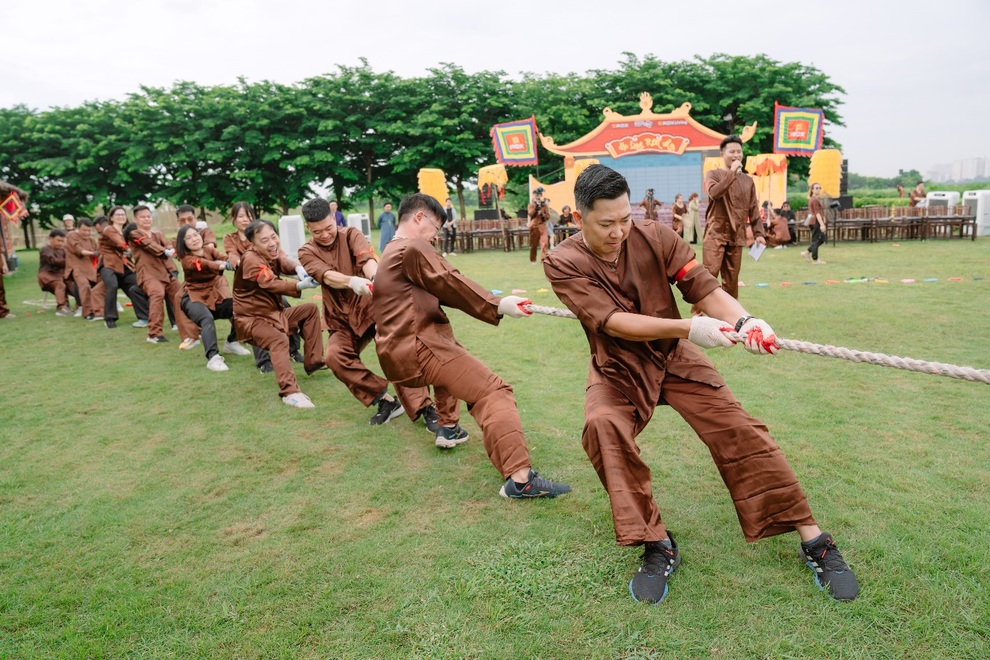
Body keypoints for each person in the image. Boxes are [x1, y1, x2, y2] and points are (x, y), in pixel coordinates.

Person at [544, 164, 858, 605]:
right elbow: (614, 323)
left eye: (624, 218)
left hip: (675, 356)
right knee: (602, 426)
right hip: (617, 365)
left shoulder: (657, 236)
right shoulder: (561, 261)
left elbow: (703, 288)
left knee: (739, 428)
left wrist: (744, 320)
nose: (619, 231)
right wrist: (690, 329)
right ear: (579, 220)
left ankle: (815, 539)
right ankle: (656, 544)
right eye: (606, 223)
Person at [373, 193, 571, 496]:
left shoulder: (390, 250)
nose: (436, 236)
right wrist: (498, 303)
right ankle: (521, 479)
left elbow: (440, 287)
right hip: (419, 345)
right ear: (418, 218)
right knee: (494, 391)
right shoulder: (411, 247)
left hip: (404, 350)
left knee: (458, 359)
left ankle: (449, 427)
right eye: (435, 228)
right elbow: (449, 281)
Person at [298, 197, 438, 428]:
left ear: (334, 218)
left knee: (396, 353)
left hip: (372, 310)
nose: (324, 234)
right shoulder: (306, 251)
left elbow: (367, 259)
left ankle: (425, 408)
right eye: (317, 231)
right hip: (340, 319)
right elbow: (325, 275)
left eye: (328, 228)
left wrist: (374, 278)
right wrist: (352, 281)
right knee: (335, 356)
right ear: (308, 228)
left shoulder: (351, 234)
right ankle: (384, 399)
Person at [232, 220, 324, 408]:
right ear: (253, 244)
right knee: (278, 340)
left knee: (309, 310)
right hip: (251, 320)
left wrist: (298, 269)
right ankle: (289, 392)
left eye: (274, 236)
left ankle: (314, 361)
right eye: (265, 240)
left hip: (274, 314)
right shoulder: (251, 259)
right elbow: (270, 283)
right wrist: (299, 285)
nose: (272, 243)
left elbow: (283, 259)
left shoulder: (270, 252)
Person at [703, 135, 765, 300]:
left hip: (736, 235)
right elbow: (715, 193)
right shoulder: (713, 174)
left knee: (731, 281)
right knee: (709, 276)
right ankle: (699, 314)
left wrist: (759, 234)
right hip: (715, 233)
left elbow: (753, 208)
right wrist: (732, 173)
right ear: (722, 154)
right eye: (732, 151)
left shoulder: (748, 181)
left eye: (739, 151)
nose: (736, 155)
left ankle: (730, 318)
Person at [222, 201, 283, 365]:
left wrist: (296, 268)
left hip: (268, 284)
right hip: (248, 290)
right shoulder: (230, 238)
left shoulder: (260, 236)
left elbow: (279, 253)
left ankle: (292, 351)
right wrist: (242, 264)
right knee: (258, 320)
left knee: (286, 311)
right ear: (234, 219)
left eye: (248, 216)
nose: (245, 219)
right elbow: (232, 255)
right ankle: (263, 362)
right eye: (241, 216)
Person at [175, 225, 237, 372]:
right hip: (192, 296)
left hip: (214, 294)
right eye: (188, 238)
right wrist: (223, 266)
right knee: (206, 318)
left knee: (239, 308)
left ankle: (232, 342)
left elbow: (223, 257)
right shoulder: (186, 259)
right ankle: (213, 358)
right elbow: (204, 264)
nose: (194, 239)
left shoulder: (209, 250)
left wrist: (235, 261)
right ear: (183, 243)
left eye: (195, 235)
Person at [127, 206, 181, 343]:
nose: (146, 219)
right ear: (135, 219)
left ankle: (191, 328)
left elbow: (168, 245)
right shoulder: (134, 234)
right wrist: (166, 252)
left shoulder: (158, 234)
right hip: (147, 274)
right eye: (142, 216)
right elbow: (149, 245)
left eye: (148, 216)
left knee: (181, 294)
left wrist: (171, 250)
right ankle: (154, 334)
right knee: (157, 294)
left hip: (164, 273)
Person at [95, 208, 150, 329]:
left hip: (124, 265)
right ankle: (110, 318)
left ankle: (145, 316)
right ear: (112, 217)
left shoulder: (126, 231)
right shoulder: (109, 229)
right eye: (117, 214)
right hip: (108, 264)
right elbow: (121, 244)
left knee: (136, 285)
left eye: (123, 214)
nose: (121, 216)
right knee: (112, 285)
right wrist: (133, 250)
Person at [65, 219, 102, 321]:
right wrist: (92, 253)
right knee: (85, 286)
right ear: (78, 228)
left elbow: (98, 250)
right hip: (76, 268)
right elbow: (78, 250)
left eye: (89, 231)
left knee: (105, 282)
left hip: (91, 268)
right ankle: (88, 313)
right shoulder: (72, 235)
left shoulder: (91, 240)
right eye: (84, 230)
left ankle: (101, 308)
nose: (87, 233)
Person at [38, 229, 72, 316]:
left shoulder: (62, 250)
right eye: (58, 240)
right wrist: (70, 261)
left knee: (73, 284)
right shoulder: (45, 249)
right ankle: (61, 307)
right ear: (51, 239)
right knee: (60, 285)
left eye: (62, 241)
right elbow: (54, 261)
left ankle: (82, 304)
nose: (60, 243)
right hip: (46, 275)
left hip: (60, 275)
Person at [801, 183, 828, 265]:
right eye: (816, 188)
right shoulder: (814, 200)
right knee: (816, 240)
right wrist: (822, 224)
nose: (818, 189)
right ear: (812, 190)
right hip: (815, 221)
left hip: (814, 221)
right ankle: (815, 260)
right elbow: (817, 213)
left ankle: (807, 252)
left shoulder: (814, 199)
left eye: (820, 188)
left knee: (822, 239)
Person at [527, 187, 550, 264]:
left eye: (539, 195)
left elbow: (547, 216)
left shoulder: (544, 205)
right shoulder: (531, 204)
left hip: (542, 225)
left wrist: (542, 214)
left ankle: (543, 259)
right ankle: (533, 259)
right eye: (537, 195)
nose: (538, 196)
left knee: (545, 243)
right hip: (534, 226)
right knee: (534, 244)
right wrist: (536, 209)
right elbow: (530, 214)